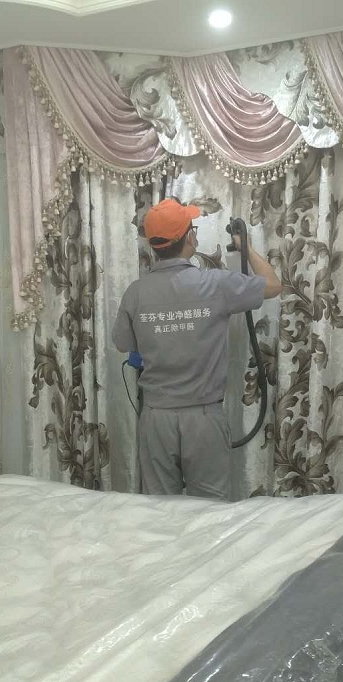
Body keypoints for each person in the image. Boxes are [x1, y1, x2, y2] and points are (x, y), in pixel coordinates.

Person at [112, 198, 281, 500]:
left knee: (158, 508)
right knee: (209, 509)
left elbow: (123, 344)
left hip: (156, 418)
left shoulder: (135, 293)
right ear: (189, 237)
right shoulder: (215, 284)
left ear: (153, 245)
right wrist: (246, 248)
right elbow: (272, 284)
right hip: (203, 418)